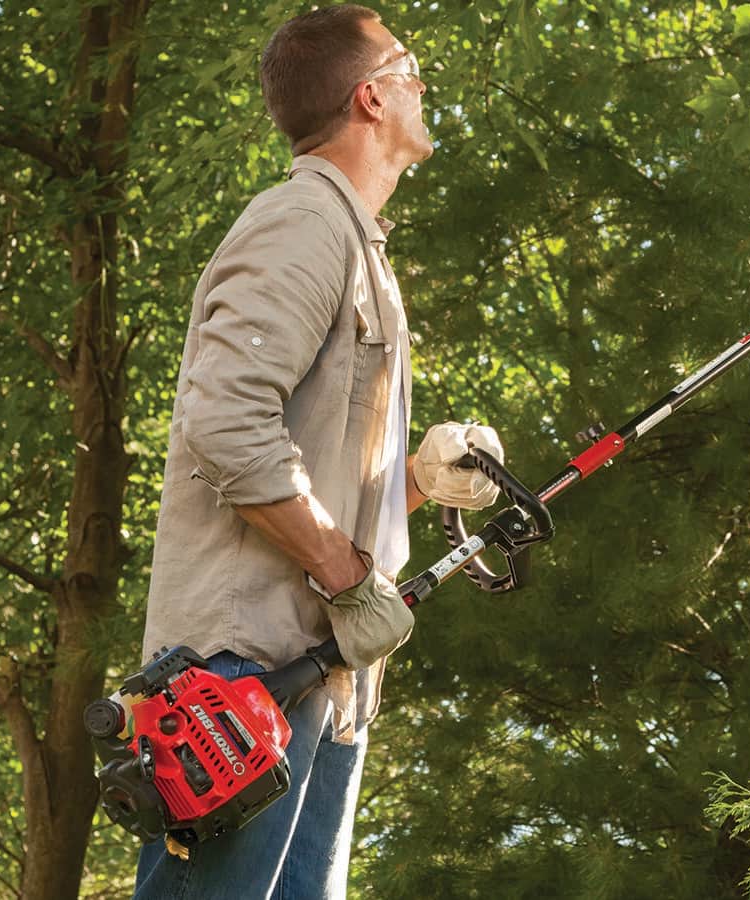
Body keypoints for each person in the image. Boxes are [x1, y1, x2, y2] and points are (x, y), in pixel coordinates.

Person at [133, 5, 504, 897]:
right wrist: (345, 576)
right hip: (240, 679)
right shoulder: (302, 224)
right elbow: (227, 424)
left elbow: (303, 466)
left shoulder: (357, 246)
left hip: (321, 686)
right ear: (370, 97)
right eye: (409, 67)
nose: (424, 84)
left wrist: (415, 480)